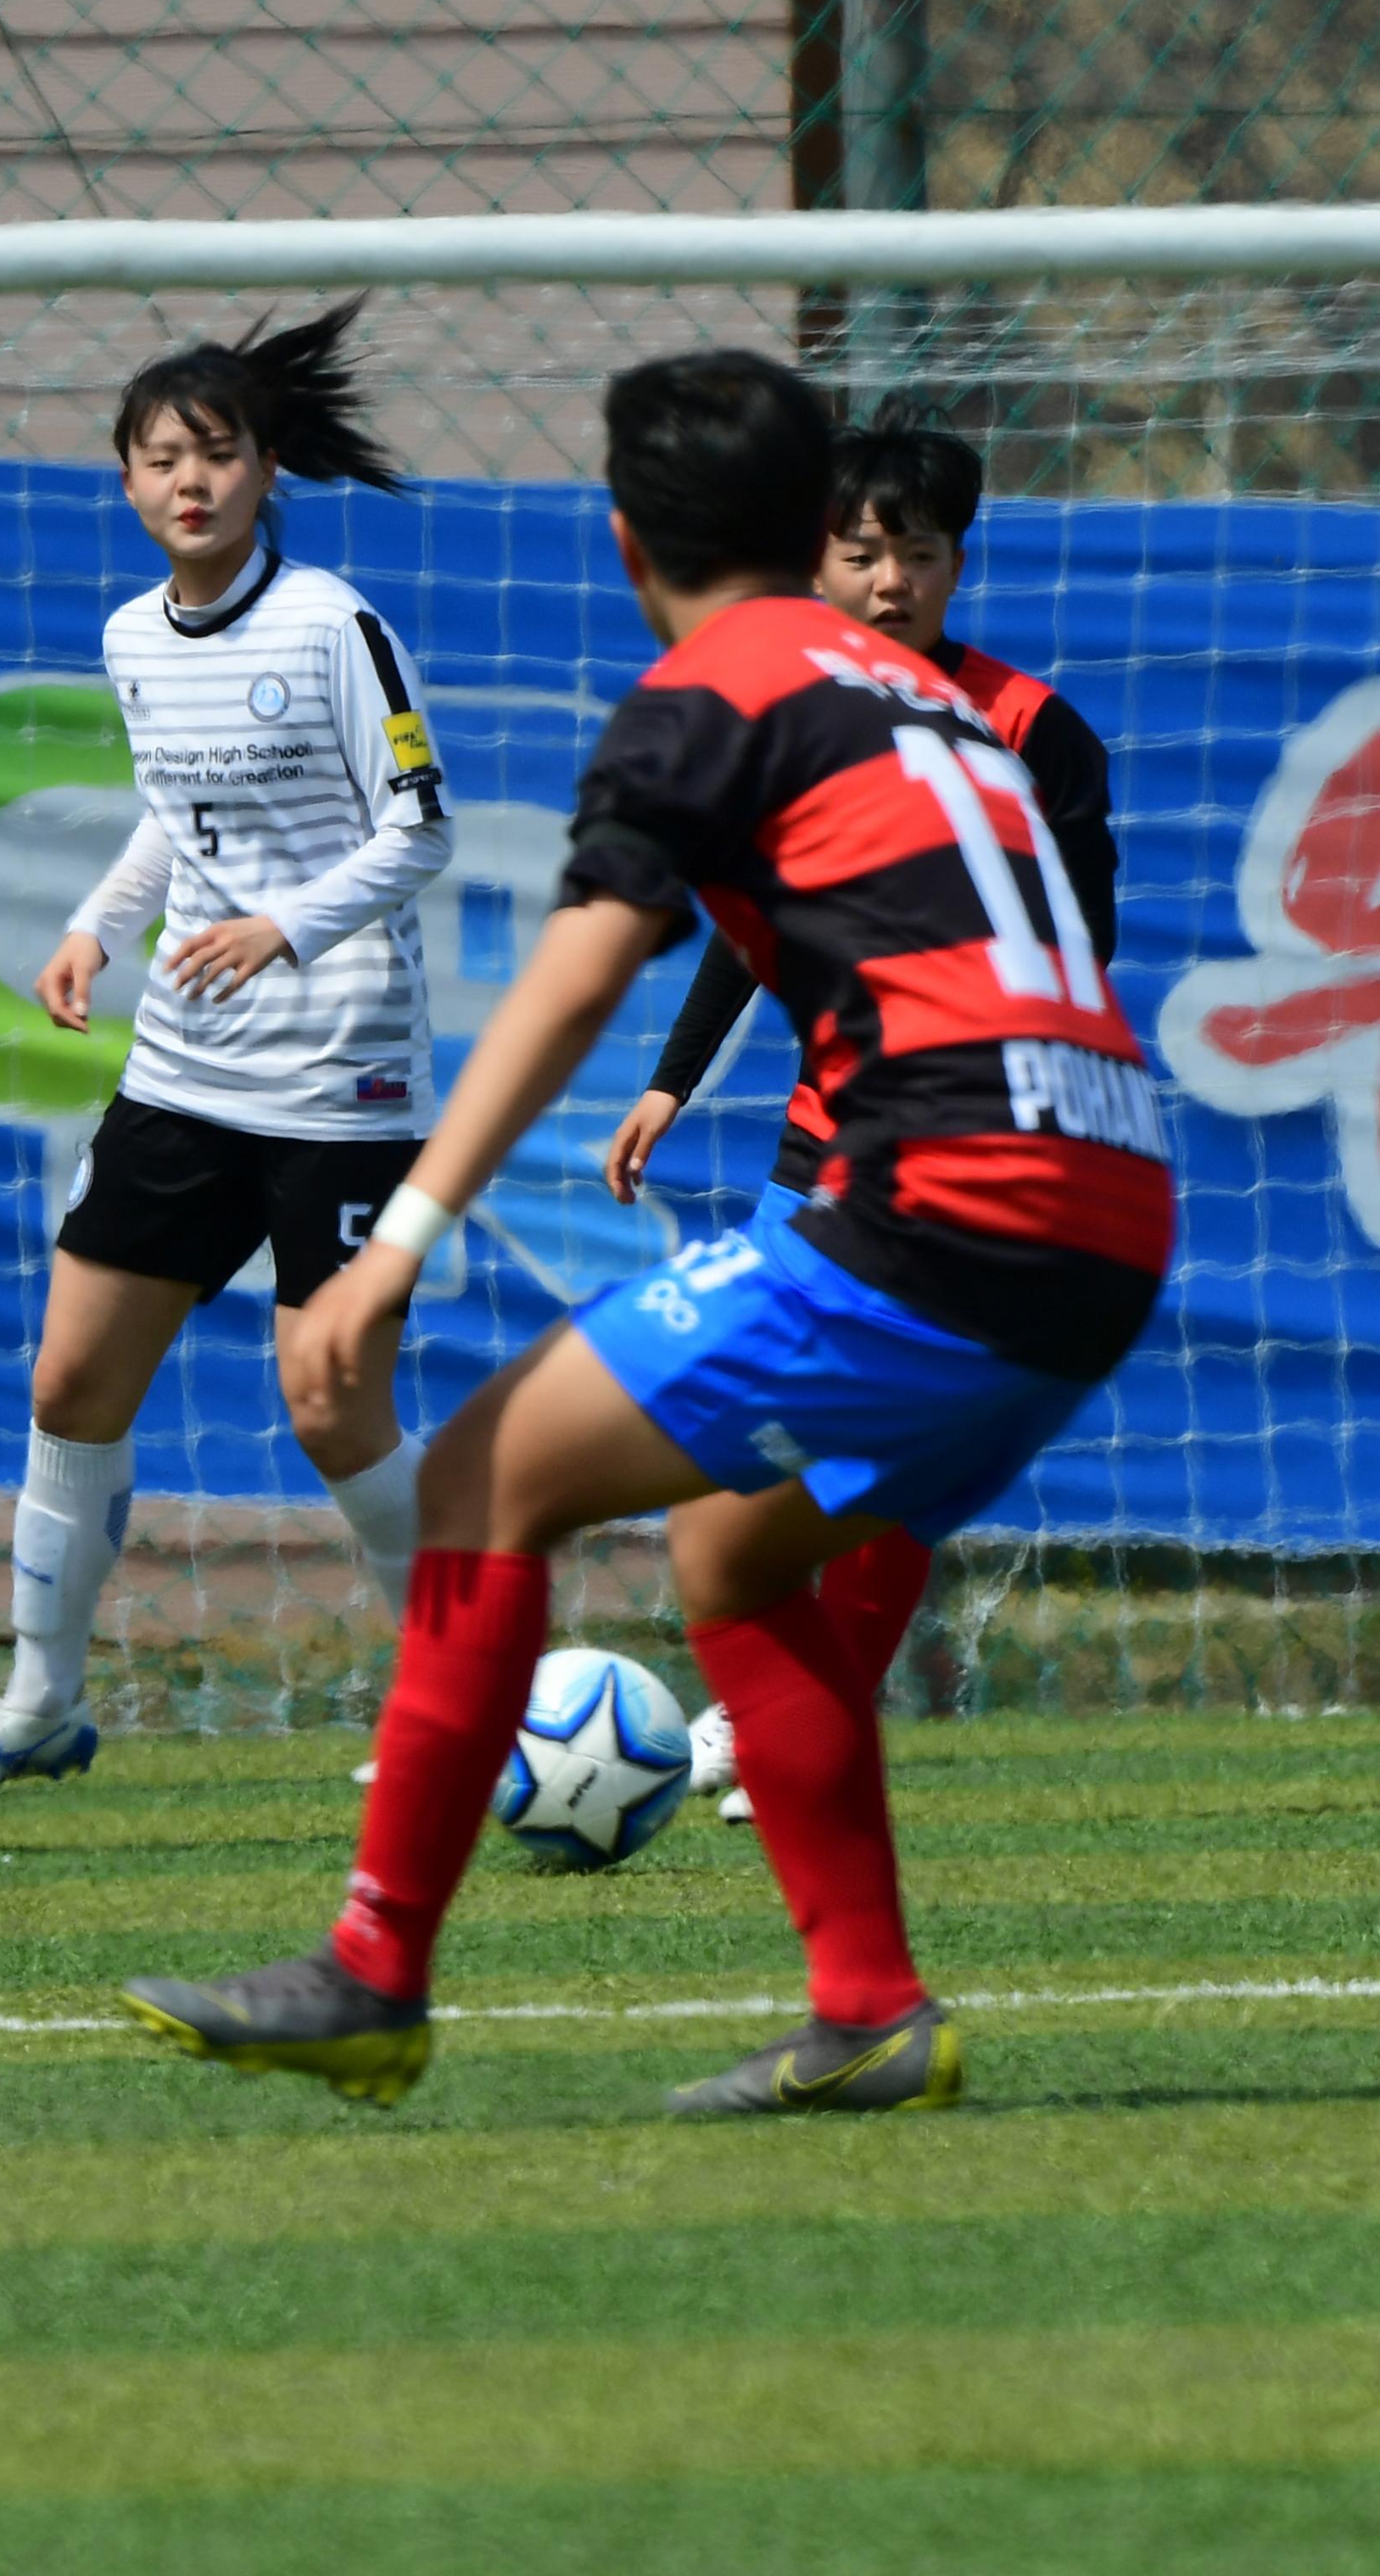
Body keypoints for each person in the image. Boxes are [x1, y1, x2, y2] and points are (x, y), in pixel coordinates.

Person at [120, 350, 1167, 2116]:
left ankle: (371, 1968)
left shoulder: (711, 687)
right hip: (1114, 1212)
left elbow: (590, 957)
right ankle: (872, 2010)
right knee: (735, 1558)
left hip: (945, 1203)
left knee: (476, 1479)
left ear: (624, 540)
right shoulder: (926, 697)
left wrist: (397, 1243)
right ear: (804, 527)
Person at [0, 302, 455, 1800]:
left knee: (328, 1400)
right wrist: (92, 924)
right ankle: (37, 1701)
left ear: (266, 469)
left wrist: (282, 928)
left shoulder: (333, 622)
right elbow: (171, 812)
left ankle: (451, 1698)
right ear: (127, 485)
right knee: (70, 1381)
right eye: (157, 459)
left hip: (340, 1076)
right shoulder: (131, 637)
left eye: (214, 453)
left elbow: (420, 831)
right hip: (184, 1072)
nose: (187, 480)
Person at [595, 415, 1118, 1823]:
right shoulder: (797, 713)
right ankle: (758, 1707)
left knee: (874, 1459)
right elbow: (740, 921)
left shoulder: (1030, 730)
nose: (889, 583)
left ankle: (790, 1722)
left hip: (960, 1142)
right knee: (751, 1432)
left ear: (960, 561)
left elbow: (1080, 946)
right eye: (858, 552)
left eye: (919, 553)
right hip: (819, 1131)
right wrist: (668, 1078)